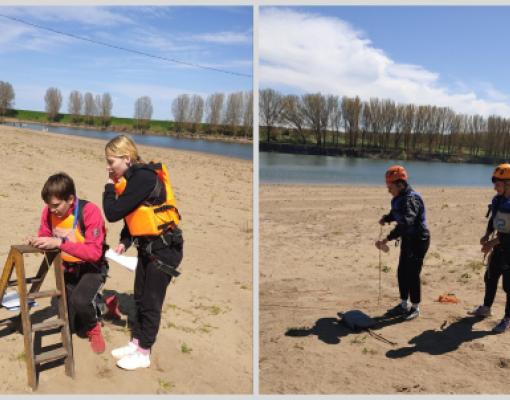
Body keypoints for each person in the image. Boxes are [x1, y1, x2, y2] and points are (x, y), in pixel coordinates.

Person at [102, 135, 183, 370]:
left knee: (151, 302)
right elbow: (135, 215)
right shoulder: (134, 179)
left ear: (126, 158)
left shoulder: (143, 177)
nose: (109, 168)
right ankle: (136, 342)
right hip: (148, 248)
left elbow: (113, 212)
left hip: (165, 250)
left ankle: (144, 352)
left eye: (111, 162)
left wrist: (108, 187)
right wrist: (124, 243)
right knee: (139, 296)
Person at [28, 172, 108, 353]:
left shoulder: (90, 211)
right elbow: (45, 235)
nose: (51, 210)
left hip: (92, 269)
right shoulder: (49, 211)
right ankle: (103, 302)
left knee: (81, 302)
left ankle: (94, 328)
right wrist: (37, 241)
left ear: (70, 199)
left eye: (56, 205)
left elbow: (95, 253)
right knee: (71, 326)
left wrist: (61, 243)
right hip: (69, 269)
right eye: (49, 205)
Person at [375, 165, 430, 320]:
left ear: (400, 184)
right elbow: (396, 212)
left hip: (419, 239)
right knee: (402, 272)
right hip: (408, 239)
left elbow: (406, 222)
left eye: (390, 186)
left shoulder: (412, 199)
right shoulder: (399, 198)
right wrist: (386, 218)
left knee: (412, 274)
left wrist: (387, 238)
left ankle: (415, 307)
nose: (388, 190)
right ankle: (403, 304)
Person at [469, 163, 510, 333]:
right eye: (494, 184)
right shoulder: (497, 199)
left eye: (498, 184)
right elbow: (493, 219)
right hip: (500, 247)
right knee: (490, 277)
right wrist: (487, 234)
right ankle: (486, 308)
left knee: (509, 286)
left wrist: (490, 243)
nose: (495, 188)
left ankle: (507, 318)